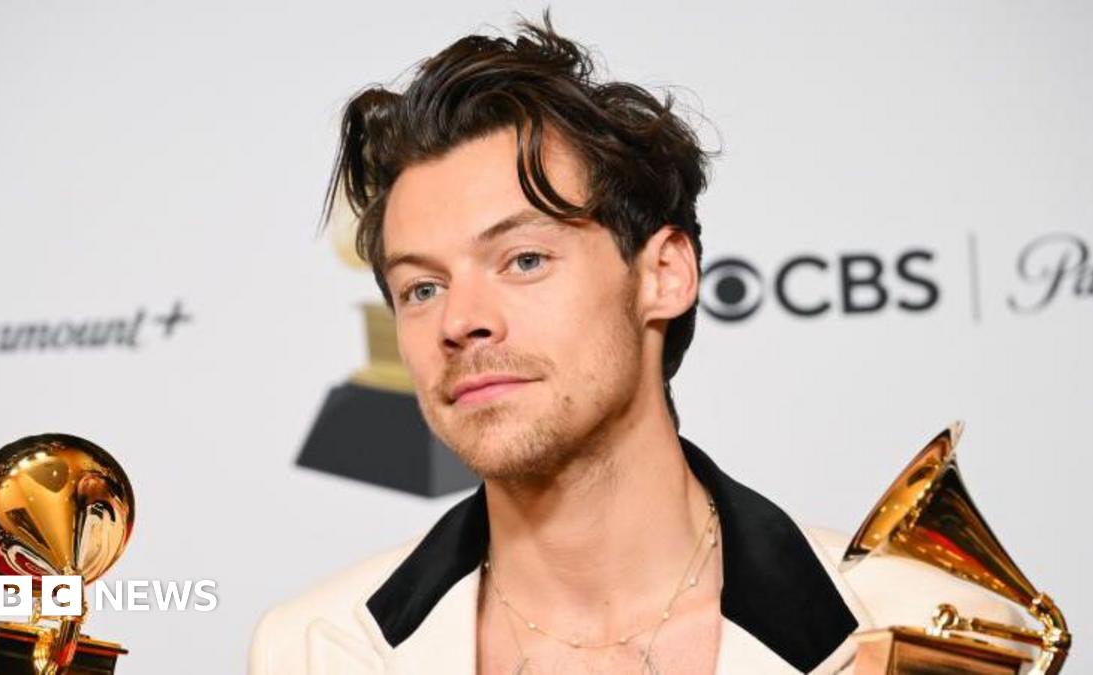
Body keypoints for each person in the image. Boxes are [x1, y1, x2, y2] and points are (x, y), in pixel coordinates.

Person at [250, 14, 1024, 674]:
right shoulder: (318, 649)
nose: (460, 319)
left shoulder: (920, 628)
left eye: (524, 260)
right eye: (422, 287)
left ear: (664, 273)